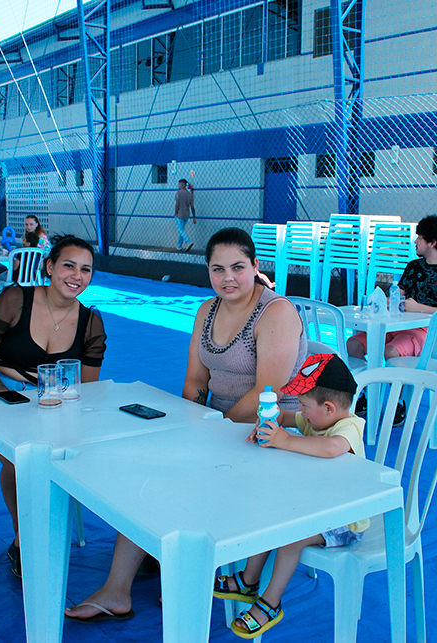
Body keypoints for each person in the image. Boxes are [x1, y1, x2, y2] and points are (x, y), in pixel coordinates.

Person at [65, 227, 307, 623]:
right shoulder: (208, 310)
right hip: (219, 424)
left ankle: (182, 568)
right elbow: (195, 380)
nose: (228, 278)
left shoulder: (276, 312)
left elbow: (269, 392)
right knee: (151, 462)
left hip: (270, 431)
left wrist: (208, 430)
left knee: (180, 473)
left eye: (238, 267)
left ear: (255, 266)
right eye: (218, 269)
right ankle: (120, 587)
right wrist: (186, 423)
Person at [0, 235, 106, 578]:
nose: (77, 276)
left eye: (86, 269)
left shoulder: (90, 322)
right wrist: (12, 400)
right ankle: (24, 537)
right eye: (69, 266)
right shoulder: (16, 300)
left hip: (53, 407)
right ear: (50, 267)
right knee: (20, 456)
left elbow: (88, 389)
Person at [215, 352, 368, 638]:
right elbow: (285, 416)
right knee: (269, 516)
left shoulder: (347, 427)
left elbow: (331, 448)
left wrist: (285, 440)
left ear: (328, 408)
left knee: (291, 535)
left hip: (344, 520)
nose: (300, 409)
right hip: (315, 507)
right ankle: (248, 580)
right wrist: (268, 421)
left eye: (304, 404)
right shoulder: (316, 419)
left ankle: (271, 602)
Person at [345, 214, 437, 423]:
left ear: (432, 242)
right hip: (395, 326)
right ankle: (364, 394)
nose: (415, 241)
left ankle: (397, 403)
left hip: (426, 332)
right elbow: (397, 296)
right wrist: (383, 303)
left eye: (420, 237)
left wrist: (419, 308)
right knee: (353, 344)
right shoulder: (413, 266)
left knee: (390, 351)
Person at [173, 178, 196, 252]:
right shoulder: (190, 195)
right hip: (186, 215)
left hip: (179, 214)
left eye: (179, 184)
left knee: (180, 229)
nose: (178, 185)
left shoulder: (178, 193)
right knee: (182, 230)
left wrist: (175, 213)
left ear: (182, 185)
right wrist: (194, 217)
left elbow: (177, 205)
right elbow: (192, 207)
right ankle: (179, 246)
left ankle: (188, 242)